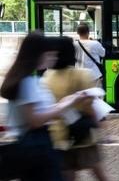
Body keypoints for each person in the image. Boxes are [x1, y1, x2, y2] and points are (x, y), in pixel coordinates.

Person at [0, 32, 90, 181]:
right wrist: (64, 105)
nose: (53, 59)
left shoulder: (27, 79)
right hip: (38, 146)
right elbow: (35, 120)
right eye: (49, 55)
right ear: (37, 54)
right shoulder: (28, 82)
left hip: (34, 145)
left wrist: (67, 102)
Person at [43, 36, 109, 181]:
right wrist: (101, 127)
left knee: (68, 174)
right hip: (83, 135)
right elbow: (91, 106)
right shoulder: (82, 75)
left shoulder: (46, 78)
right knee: (99, 173)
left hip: (59, 137)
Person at [74, 23, 105, 88]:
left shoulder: (74, 44)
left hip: (79, 76)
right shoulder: (95, 44)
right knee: (95, 96)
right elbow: (103, 53)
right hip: (94, 76)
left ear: (78, 33)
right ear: (88, 32)